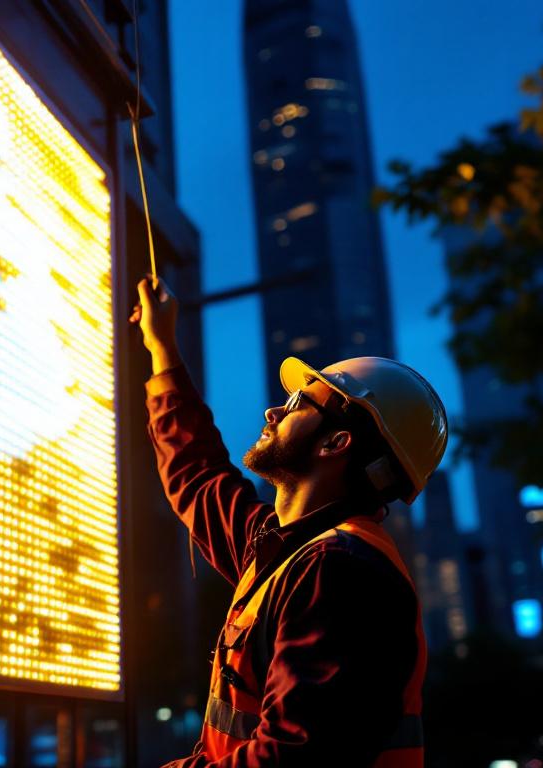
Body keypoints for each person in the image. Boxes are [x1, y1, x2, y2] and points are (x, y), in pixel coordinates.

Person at [130, 276, 448, 767]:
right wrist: (161, 346)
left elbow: (292, 756)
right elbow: (198, 475)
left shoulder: (339, 571)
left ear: (336, 443)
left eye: (302, 402)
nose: (274, 408)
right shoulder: (288, 555)